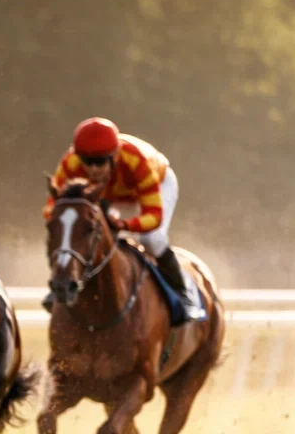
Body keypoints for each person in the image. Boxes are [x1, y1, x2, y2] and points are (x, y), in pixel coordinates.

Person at [43, 117, 187, 311]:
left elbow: (154, 216)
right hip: (108, 194)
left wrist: (125, 225)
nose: (93, 169)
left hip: (155, 185)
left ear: (114, 155)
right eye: (87, 161)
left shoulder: (136, 162)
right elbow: (52, 209)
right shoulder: (70, 163)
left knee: (151, 239)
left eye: (100, 161)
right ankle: (65, 283)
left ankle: (182, 293)